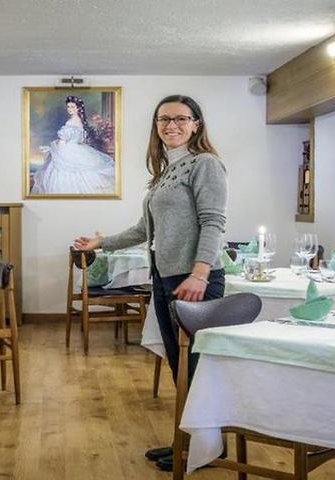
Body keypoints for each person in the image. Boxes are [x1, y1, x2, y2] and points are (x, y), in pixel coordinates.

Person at [73, 94, 228, 472]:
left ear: (196, 124)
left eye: (180, 118)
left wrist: (199, 273)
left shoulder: (205, 164)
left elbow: (213, 222)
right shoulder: (165, 173)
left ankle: (208, 447)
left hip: (195, 281)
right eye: (164, 119)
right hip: (165, 278)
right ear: (156, 126)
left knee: (196, 366)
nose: (171, 125)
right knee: (180, 365)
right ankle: (190, 441)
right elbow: (144, 229)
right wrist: (100, 243)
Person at [31, 95, 115, 194]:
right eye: (68, 107)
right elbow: (81, 139)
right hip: (79, 149)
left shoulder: (70, 122)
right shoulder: (80, 121)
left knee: (62, 173)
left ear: (78, 108)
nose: (70, 109)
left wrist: (52, 147)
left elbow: (61, 144)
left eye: (72, 107)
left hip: (68, 151)